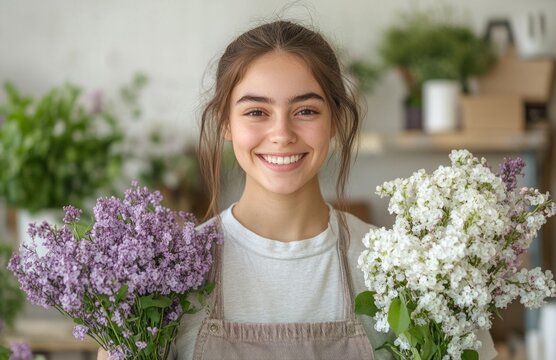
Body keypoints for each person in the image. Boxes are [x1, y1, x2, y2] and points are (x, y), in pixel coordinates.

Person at [99, 20, 497, 359]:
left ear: (336, 120)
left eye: (306, 110)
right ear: (225, 122)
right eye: (256, 112)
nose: (282, 134)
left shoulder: (405, 272)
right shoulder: (163, 280)